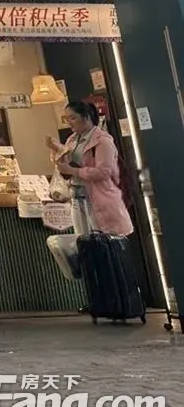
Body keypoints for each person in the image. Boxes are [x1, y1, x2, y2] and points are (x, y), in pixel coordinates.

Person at [45, 99, 134, 280]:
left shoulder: (103, 141)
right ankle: (95, 287)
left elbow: (104, 172)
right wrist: (57, 153)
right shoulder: (72, 140)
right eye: (66, 118)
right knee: (84, 245)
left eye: (72, 118)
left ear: (86, 117)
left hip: (99, 199)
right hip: (77, 198)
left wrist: (74, 171)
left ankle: (112, 289)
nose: (69, 122)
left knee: (104, 246)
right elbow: (67, 164)